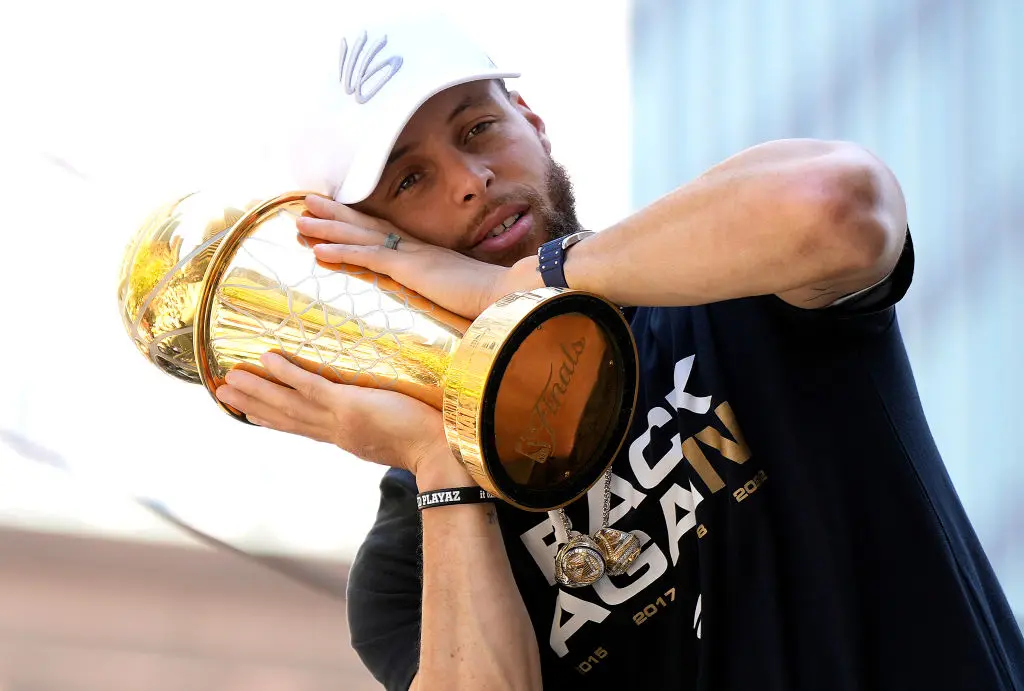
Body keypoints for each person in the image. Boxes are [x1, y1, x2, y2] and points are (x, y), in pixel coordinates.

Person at [213, 10, 1024, 691]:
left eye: (480, 127)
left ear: (532, 123)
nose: (469, 179)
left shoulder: (728, 279)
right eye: (409, 182)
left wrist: (526, 286)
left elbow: (837, 205)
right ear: (357, 254)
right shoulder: (408, 561)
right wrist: (438, 456)